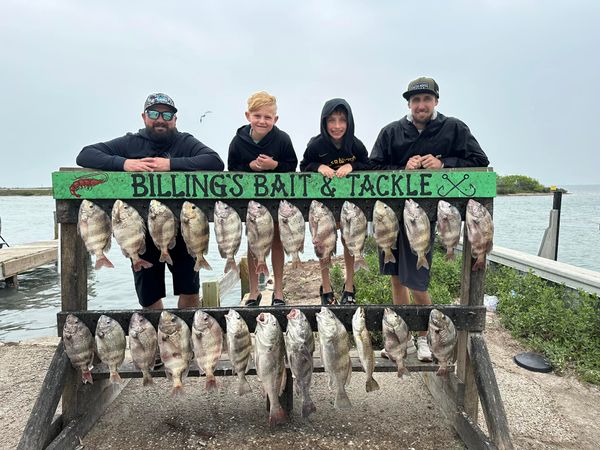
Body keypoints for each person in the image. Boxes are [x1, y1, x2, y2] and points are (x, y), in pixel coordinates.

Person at [370, 77, 489, 361]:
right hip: (391, 217)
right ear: (409, 104)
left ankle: (426, 337)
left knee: (417, 282)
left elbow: (480, 160)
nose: (420, 105)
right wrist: (401, 167)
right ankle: (404, 337)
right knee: (397, 279)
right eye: (415, 100)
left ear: (436, 101)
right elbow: (372, 167)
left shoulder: (455, 128)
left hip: (426, 220)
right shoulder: (391, 132)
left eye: (426, 99)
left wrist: (444, 163)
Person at [76, 93, 224, 310]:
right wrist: (124, 163)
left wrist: (170, 164)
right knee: (148, 295)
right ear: (144, 117)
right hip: (139, 231)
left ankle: (187, 336)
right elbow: (85, 155)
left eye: (167, 114)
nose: (160, 119)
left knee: (190, 289)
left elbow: (214, 161)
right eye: (154, 113)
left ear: (175, 118)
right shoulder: (130, 142)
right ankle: (157, 338)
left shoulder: (184, 141)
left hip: (183, 230)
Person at [227, 91, 298, 307]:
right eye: (257, 116)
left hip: (276, 201)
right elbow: (232, 168)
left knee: (277, 241)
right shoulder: (238, 141)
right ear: (248, 115)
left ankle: (278, 291)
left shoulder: (283, 139)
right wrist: (249, 167)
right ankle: (253, 291)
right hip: (253, 205)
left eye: (267, 117)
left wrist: (273, 166)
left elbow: (292, 166)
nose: (262, 121)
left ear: (275, 119)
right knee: (253, 242)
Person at [300, 98, 371, 305]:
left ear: (349, 122)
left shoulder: (356, 145)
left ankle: (349, 286)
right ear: (324, 122)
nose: (337, 126)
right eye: (332, 120)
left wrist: (353, 166)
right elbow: (304, 165)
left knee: (349, 241)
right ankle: (326, 286)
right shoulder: (316, 145)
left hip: (349, 206)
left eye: (342, 120)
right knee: (323, 243)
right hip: (324, 205)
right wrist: (317, 167)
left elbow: (369, 165)